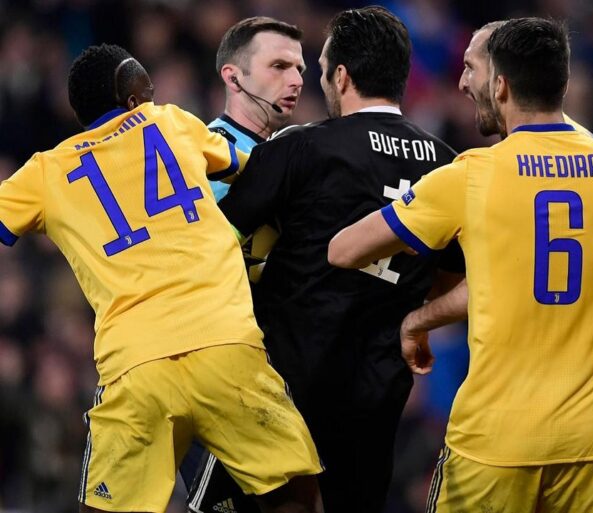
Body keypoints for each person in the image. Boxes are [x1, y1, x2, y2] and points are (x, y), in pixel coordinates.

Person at [329, 17, 593, 512]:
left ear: (501, 85)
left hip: (497, 438)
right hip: (589, 438)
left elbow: (343, 250)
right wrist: (420, 320)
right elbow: (508, 281)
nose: (461, 83)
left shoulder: (473, 176)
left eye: (470, 69)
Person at [0, 44, 323, 513]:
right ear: (132, 99)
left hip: (136, 365)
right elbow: (250, 169)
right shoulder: (171, 122)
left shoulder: (47, 171)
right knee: (295, 495)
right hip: (227, 348)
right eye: (147, 91)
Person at [207, 7, 462, 513]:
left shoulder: (302, 148)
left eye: (319, 68)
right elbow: (451, 277)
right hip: (378, 393)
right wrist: (414, 319)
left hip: (285, 391)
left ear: (341, 76)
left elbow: (215, 239)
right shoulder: (447, 165)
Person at [182, 17, 307, 513]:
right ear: (233, 77)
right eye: (279, 66)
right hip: (215, 365)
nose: (295, 80)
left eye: (300, 68)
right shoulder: (197, 158)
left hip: (273, 363)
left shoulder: (293, 154)